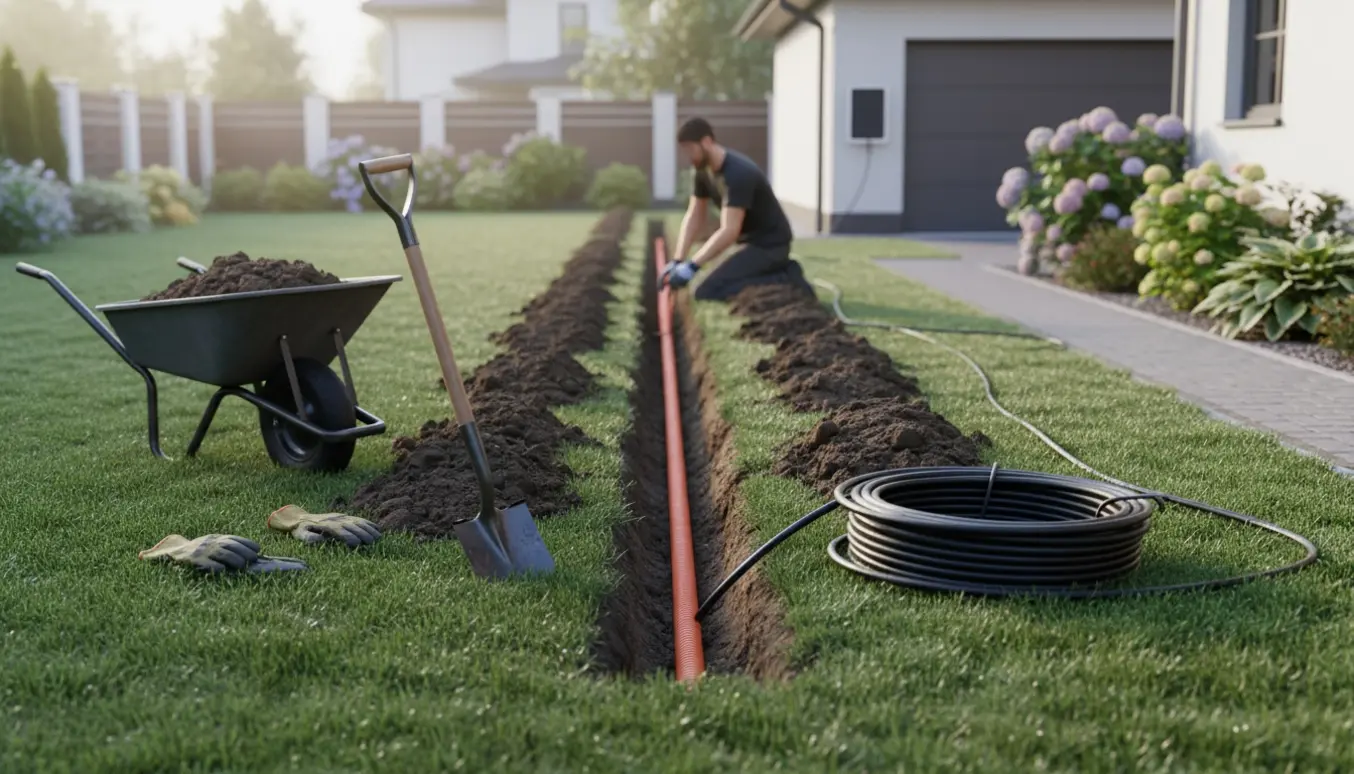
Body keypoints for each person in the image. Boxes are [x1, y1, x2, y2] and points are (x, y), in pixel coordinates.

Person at [661, 117, 813, 300]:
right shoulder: (702, 171)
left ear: (707, 142)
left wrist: (692, 266)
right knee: (712, 282)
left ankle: (786, 278)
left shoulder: (737, 174)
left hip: (770, 246)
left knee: (706, 291)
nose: (688, 156)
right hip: (747, 245)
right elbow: (694, 215)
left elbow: (729, 230)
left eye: (690, 149)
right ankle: (778, 272)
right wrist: (678, 260)